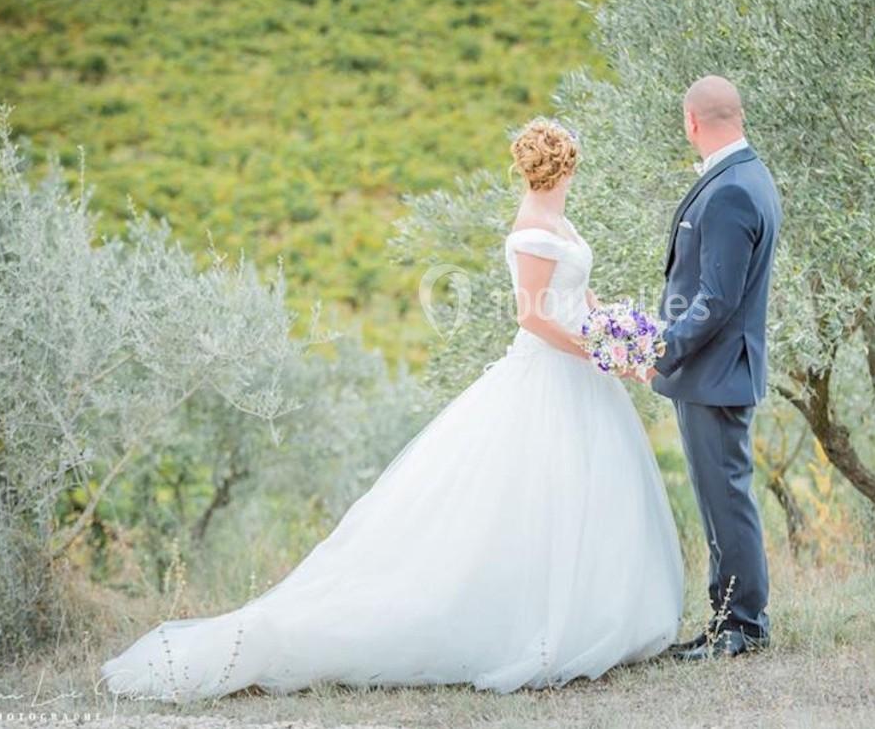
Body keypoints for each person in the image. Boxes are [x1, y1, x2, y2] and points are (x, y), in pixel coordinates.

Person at [100, 118, 683, 700]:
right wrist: (594, 351)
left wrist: (618, 337)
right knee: (529, 500)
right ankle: (530, 626)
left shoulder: (561, 221)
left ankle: (592, 617)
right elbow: (531, 316)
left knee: (582, 495)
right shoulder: (531, 228)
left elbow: (581, 295)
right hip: (549, 376)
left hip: (582, 375)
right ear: (567, 166)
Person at [646, 75, 782, 660]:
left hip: (715, 371)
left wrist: (664, 346)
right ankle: (726, 618)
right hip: (721, 370)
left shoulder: (728, 189)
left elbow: (717, 298)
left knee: (725, 498)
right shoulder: (751, 176)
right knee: (721, 496)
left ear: (692, 122)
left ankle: (742, 627)